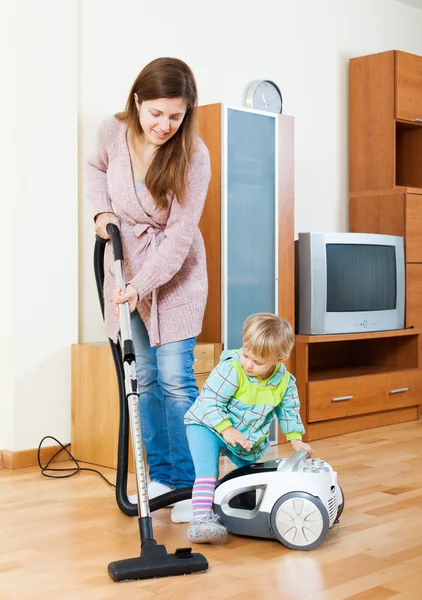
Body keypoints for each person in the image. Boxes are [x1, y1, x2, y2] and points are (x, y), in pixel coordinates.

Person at [86, 57, 211, 523]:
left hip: (174, 275)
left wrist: (141, 286)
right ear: (137, 102)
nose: (164, 125)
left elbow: (179, 236)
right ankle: (160, 476)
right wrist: (101, 212)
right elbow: (94, 169)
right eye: (156, 113)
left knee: (177, 380)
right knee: (146, 380)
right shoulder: (111, 132)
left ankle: (190, 485)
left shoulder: (194, 155)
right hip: (124, 271)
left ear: (187, 112)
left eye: (175, 116)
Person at [184, 313, 314, 543]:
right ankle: (202, 520)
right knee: (208, 473)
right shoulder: (231, 369)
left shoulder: (284, 383)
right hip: (206, 424)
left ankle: (256, 514)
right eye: (245, 354)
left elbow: (288, 411)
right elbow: (211, 401)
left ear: (280, 359)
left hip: (243, 436)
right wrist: (226, 429)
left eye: (257, 362)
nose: (248, 363)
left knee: (255, 475)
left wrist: (295, 439)